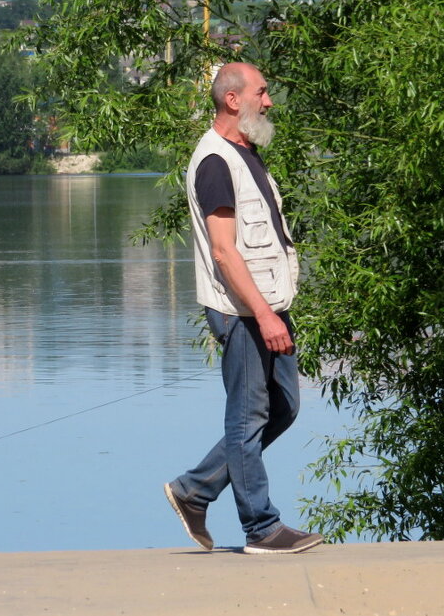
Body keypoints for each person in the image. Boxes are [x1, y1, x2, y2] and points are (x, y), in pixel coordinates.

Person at [163, 61, 324, 555]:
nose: (269, 101)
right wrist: (266, 315)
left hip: (266, 306)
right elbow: (225, 251)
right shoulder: (215, 161)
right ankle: (262, 528)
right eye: (262, 91)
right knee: (247, 418)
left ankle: (195, 489)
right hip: (244, 312)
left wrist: (275, 308)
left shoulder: (244, 154)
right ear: (234, 100)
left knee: (284, 407)